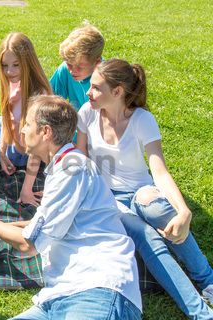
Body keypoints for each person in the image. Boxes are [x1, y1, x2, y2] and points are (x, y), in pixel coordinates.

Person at [0, 95, 142, 319]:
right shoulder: (64, 167)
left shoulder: (71, 169)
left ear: (45, 132)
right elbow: (43, 224)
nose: (23, 130)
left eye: (27, 124)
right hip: (57, 297)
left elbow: (29, 243)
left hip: (97, 289)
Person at [76, 58, 213, 318]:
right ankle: (201, 313)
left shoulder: (142, 120)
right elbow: (82, 163)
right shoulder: (87, 113)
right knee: (147, 237)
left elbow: (159, 171)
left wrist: (183, 211)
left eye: (95, 87)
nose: (88, 92)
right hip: (106, 197)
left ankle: (207, 279)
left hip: (139, 191)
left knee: (158, 208)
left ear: (117, 92)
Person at [0, 32, 52, 206]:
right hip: (8, 129)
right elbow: (6, 118)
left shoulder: (39, 96)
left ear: (28, 63)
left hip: (21, 151)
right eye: (5, 65)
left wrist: (26, 190)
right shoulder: (12, 81)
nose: (9, 71)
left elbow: (36, 150)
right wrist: (1, 149)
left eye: (16, 65)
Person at [50, 23, 104, 111]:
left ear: (97, 62)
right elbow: (49, 100)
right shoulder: (64, 69)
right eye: (69, 64)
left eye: (80, 66)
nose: (72, 71)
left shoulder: (107, 80)